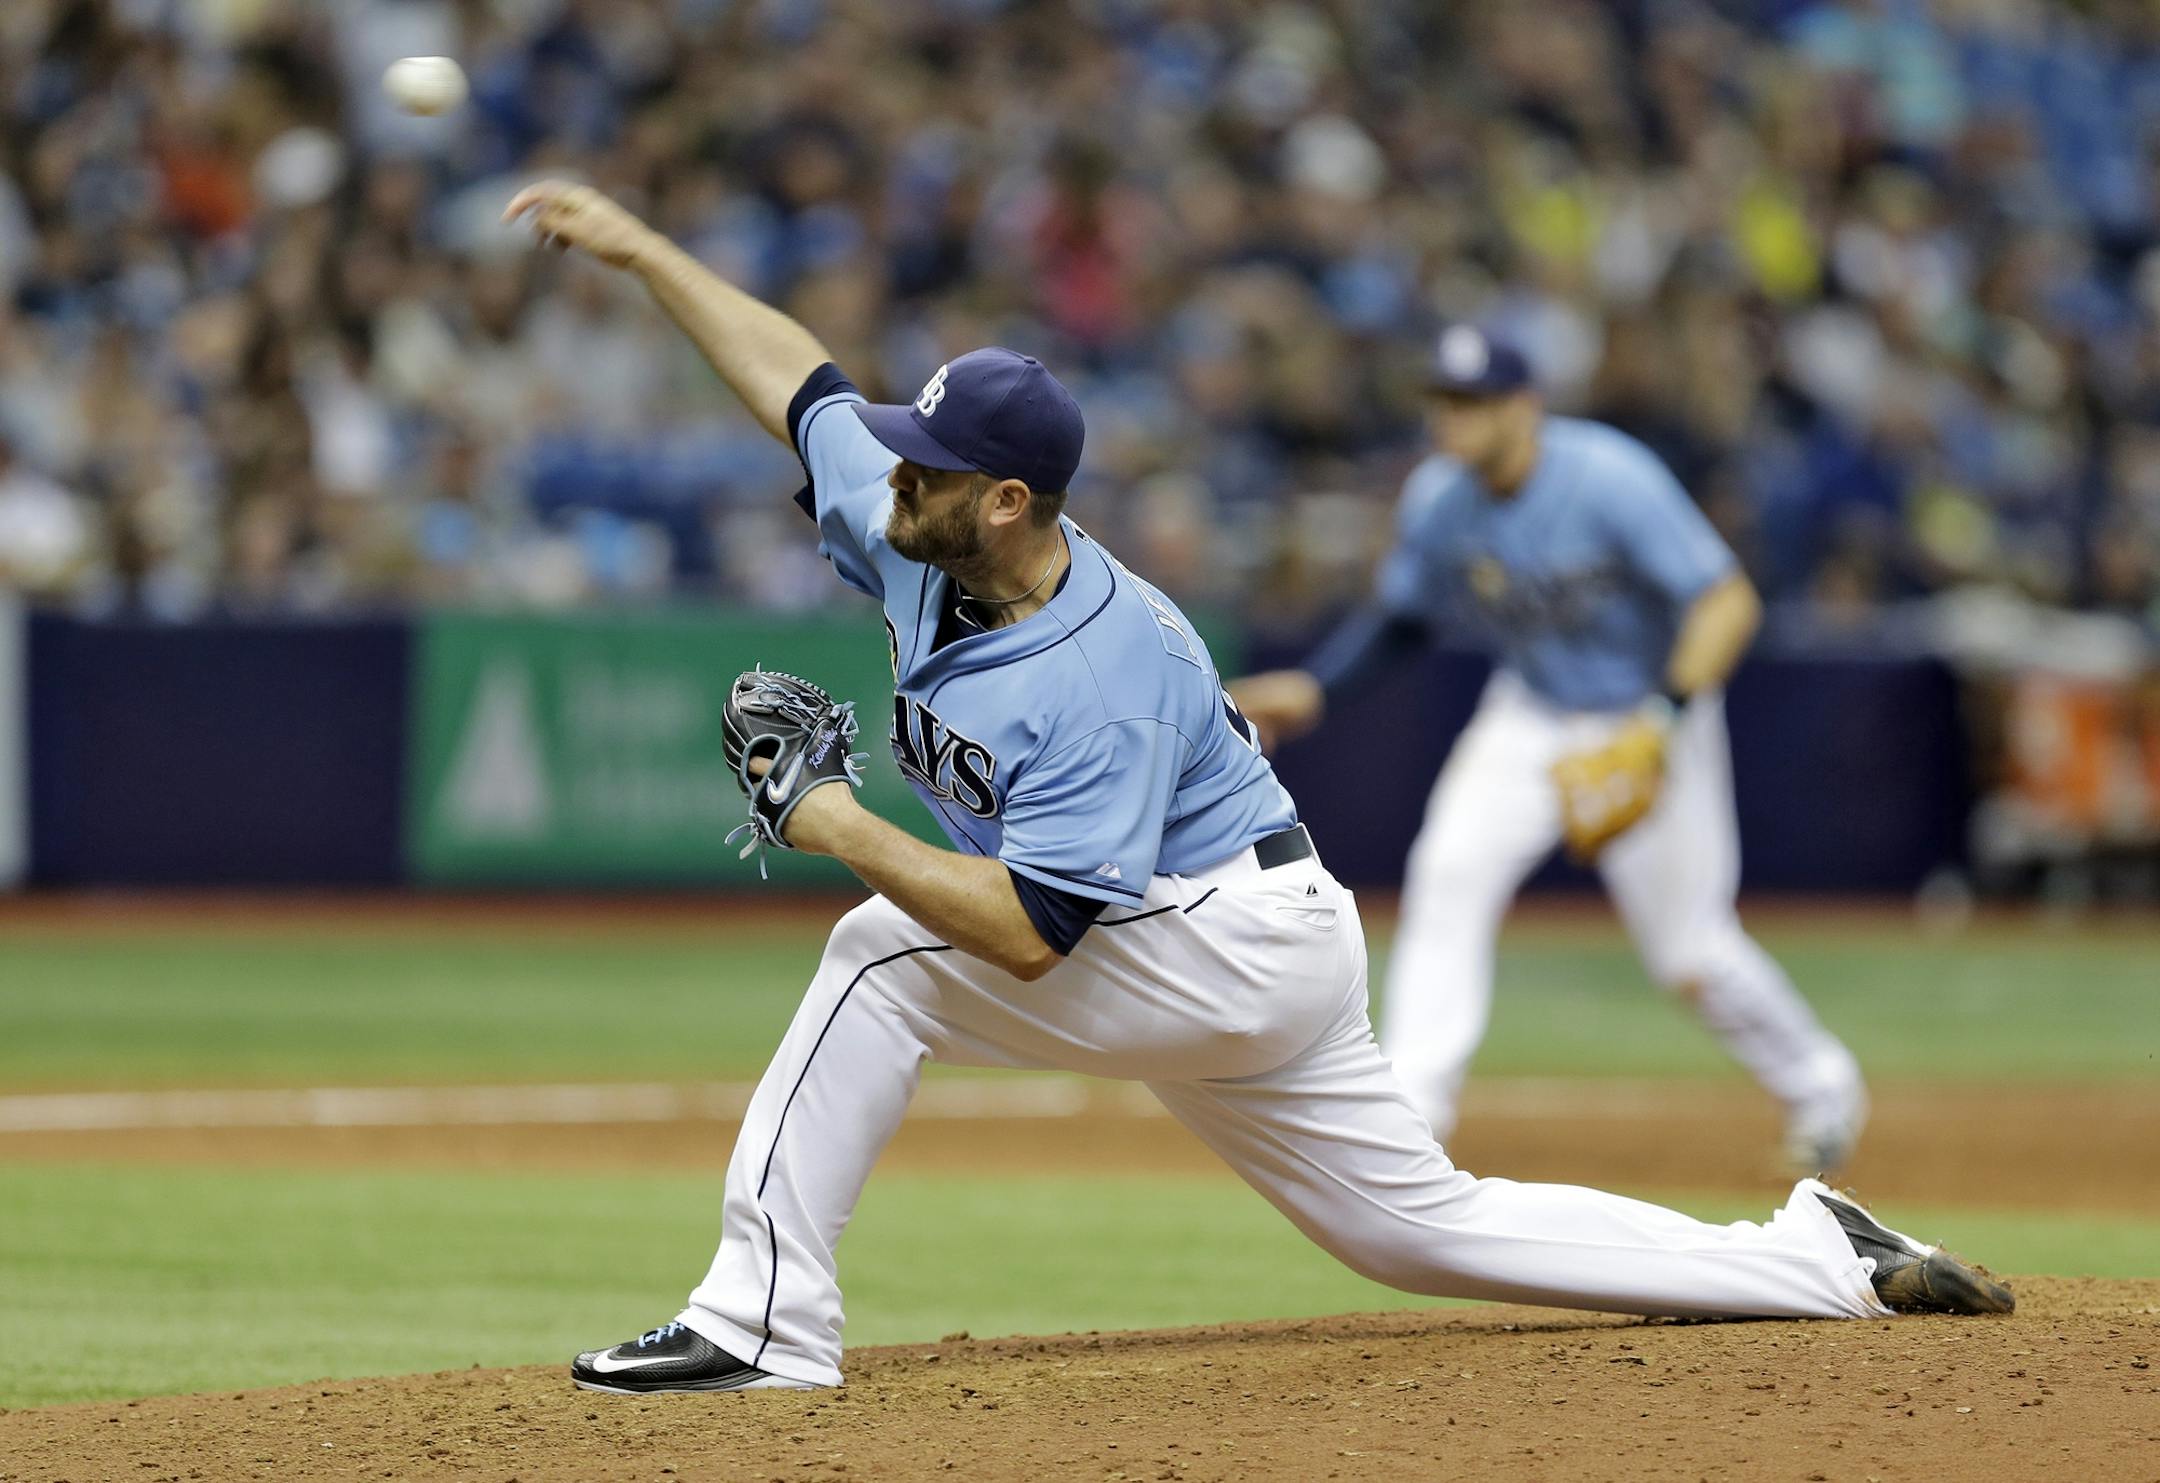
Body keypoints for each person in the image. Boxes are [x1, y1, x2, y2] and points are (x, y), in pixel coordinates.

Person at [500, 184, 2008, 1396]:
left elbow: (1032, 936)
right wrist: (643, 254)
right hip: (1239, 919)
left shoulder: (1098, 662)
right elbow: (803, 384)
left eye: (928, 466)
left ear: (1008, 497)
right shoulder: (920, 521)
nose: (890, 479)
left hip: (1223, 933)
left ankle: (762, 1316)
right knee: (1412, 1226)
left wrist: (832, 821)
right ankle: (1815, 1256)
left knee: (879, 955)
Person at [1230, 326, 1869, 1175]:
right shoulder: (1439, 499)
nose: (1453, 420)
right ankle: (1414, 1109)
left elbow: (1725, 602)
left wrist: (1662, 721)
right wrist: (1316, 689)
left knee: (1690, 952)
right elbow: (1403, 618)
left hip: (1647, 710)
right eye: (1443, 402)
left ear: (1525, 408)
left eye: (1473, 402)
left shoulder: (1610, 477)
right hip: (1530, 711)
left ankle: (1822, 1085)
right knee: (1450, 873)